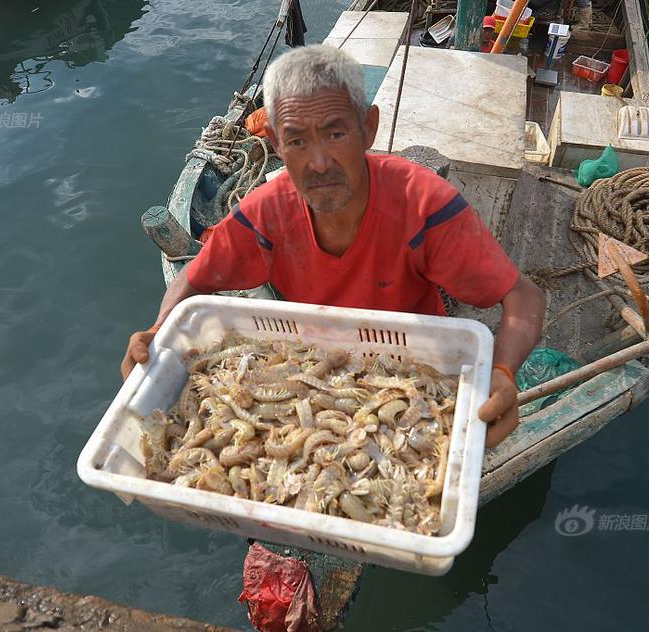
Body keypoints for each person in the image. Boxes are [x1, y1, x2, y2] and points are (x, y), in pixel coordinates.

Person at [121, 45, 546, 448]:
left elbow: (523, 298)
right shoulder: (266, 213)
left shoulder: (424, 205)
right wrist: (157, 333)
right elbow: (192, 283)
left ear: (369, 129)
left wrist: (504, 371)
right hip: (310, 371)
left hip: (416, 371)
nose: (319, 162)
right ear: (277, 146)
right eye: (297, 141)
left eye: (335, 132)